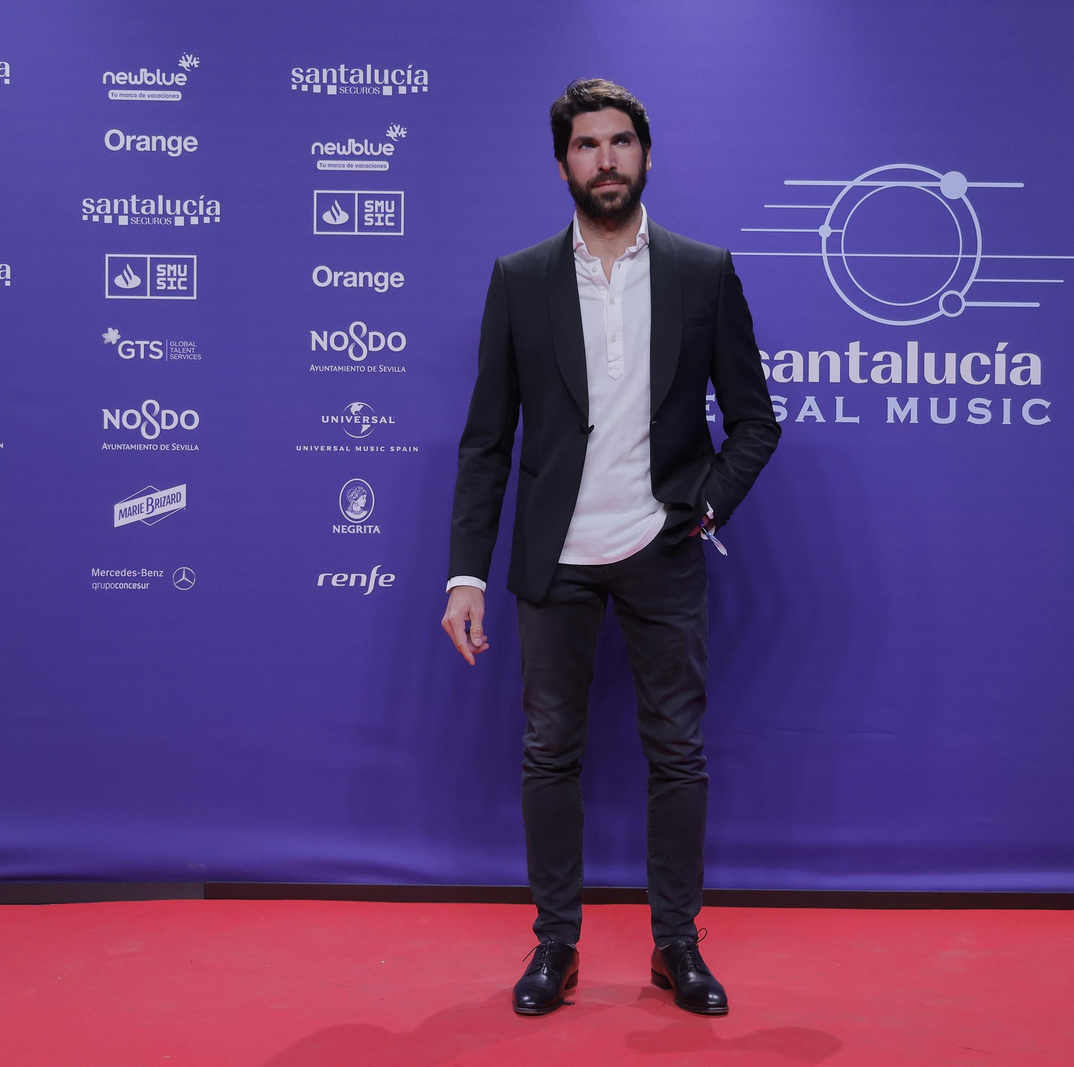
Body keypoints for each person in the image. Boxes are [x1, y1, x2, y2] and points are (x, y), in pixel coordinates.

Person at [441, 78, 780, 1016]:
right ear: (563, 165)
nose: (606, 160)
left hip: (661, 548)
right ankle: (556, 943)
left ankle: (678, 944)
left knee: (677, 750)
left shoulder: (702, 271)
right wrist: (467, 571)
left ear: (646, 154)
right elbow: (486, 440)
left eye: (620, 142)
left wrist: (702, 511)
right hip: (555, 558)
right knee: (550, 750)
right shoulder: (519, 279)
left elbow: (754, 421)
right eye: (586, 146)